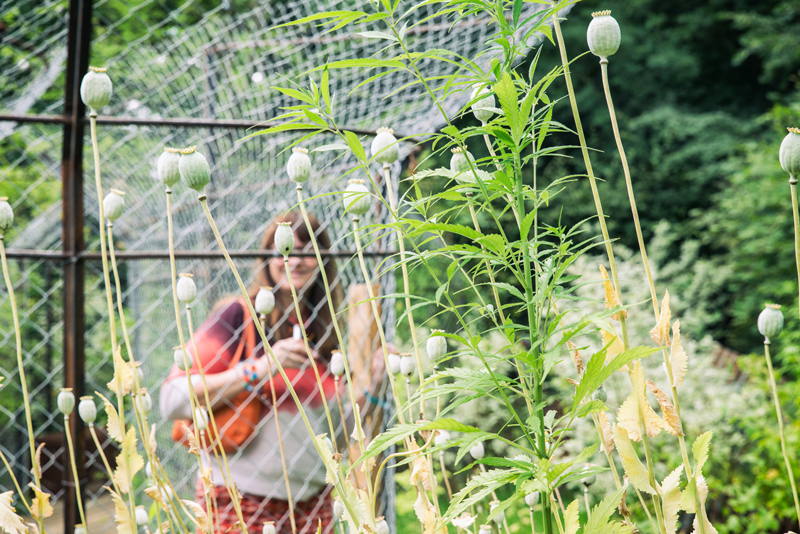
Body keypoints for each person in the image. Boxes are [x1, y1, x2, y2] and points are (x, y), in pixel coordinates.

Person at [159, 211, 386, 534]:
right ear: (267, 257)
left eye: (307, 251)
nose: (295, 260)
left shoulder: (323, 330)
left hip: (314, 502)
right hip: (241, 499)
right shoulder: (237, 316)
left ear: (322, 261)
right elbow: (172, 399)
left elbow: (332, 433)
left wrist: (375, 387)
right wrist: (262, 367)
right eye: (285, 250)